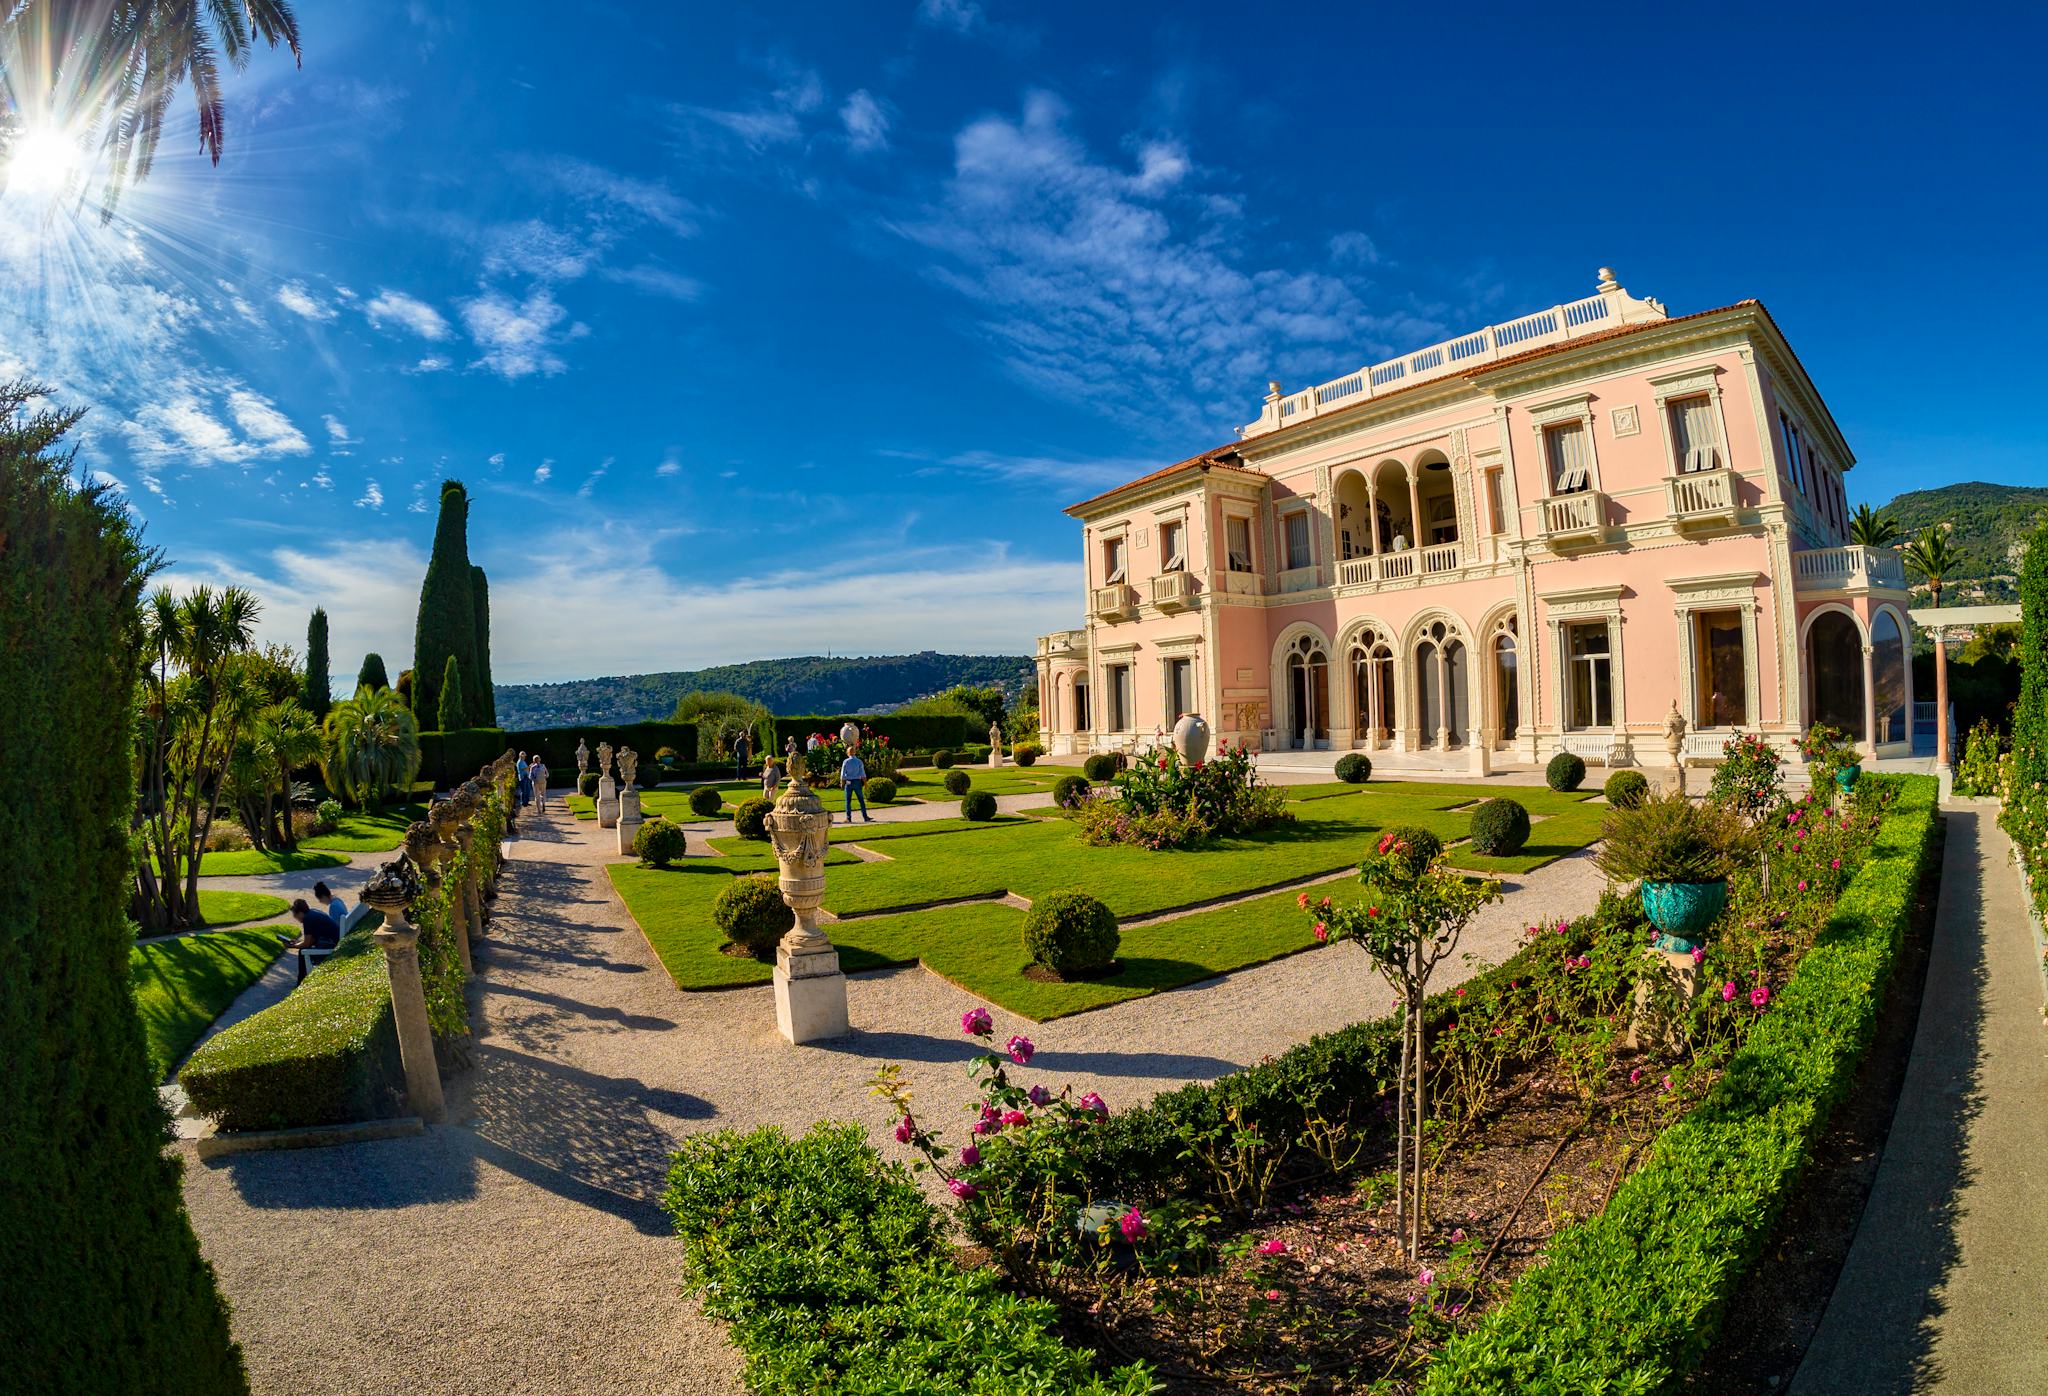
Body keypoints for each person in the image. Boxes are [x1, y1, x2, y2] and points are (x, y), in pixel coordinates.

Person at [284, 897, 342, 983]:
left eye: (295, 915)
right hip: (334, 941)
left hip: (332, 946)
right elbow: (312, 940)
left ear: (300, 913)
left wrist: (292, 946)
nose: (295, 918)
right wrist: (298, 943)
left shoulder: (307, 919)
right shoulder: (312, 913)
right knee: (303, 949)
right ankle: (301, 981)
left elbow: (307, 944)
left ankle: (301, 982)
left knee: (302, 952)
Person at [840, 748, 873, 823]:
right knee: (861, 800)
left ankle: (848, 818)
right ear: (854, 752)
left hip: (848, 782)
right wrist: (865, 784)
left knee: (848, 801)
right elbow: (863, 774)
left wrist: (842, 783)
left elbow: (842, 774)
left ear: (848, 753)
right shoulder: (859, 761)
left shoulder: (845, 762)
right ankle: (865, 817)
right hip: (857, 782)